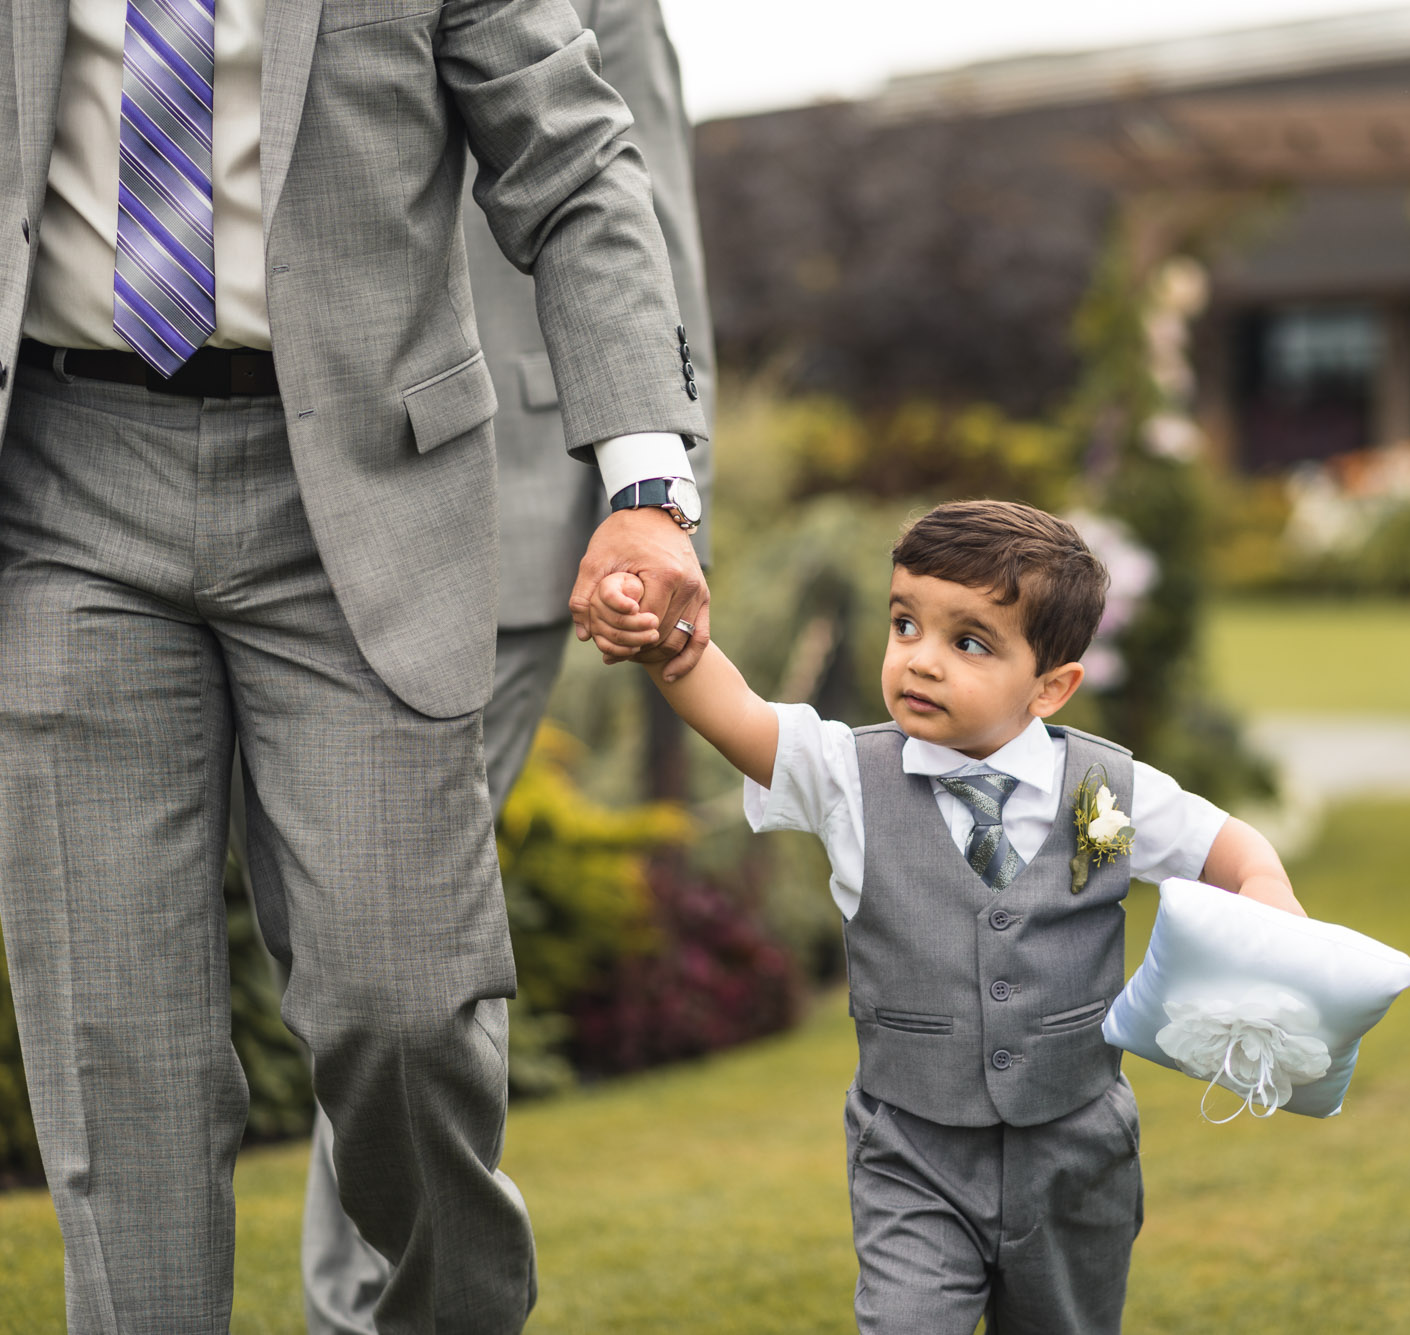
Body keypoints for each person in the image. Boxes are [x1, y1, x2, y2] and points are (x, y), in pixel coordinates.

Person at [0, 0, 712, 1328]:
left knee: (407, 1009)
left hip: (358, 489)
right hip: (63, 484)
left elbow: (574, 161)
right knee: (119, 1057)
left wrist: (647, 480)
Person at [586, 500, 1305, 1334]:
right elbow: (740, 714)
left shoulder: (1105, 790)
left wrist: (1266, 891)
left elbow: (1230, 846)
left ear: (1051, 686)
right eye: (904, 624)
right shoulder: (848, 775)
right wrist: (662, 637)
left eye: (968, 642)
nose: (920, 661)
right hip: (912, 1156)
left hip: (1076, 1160)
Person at [285, 3, 715, 1330]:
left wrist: (654, 494)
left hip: (509, 502)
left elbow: (635, 203)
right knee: (357, 969)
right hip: (290, 478)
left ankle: (361, 1306)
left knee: (406, 968)